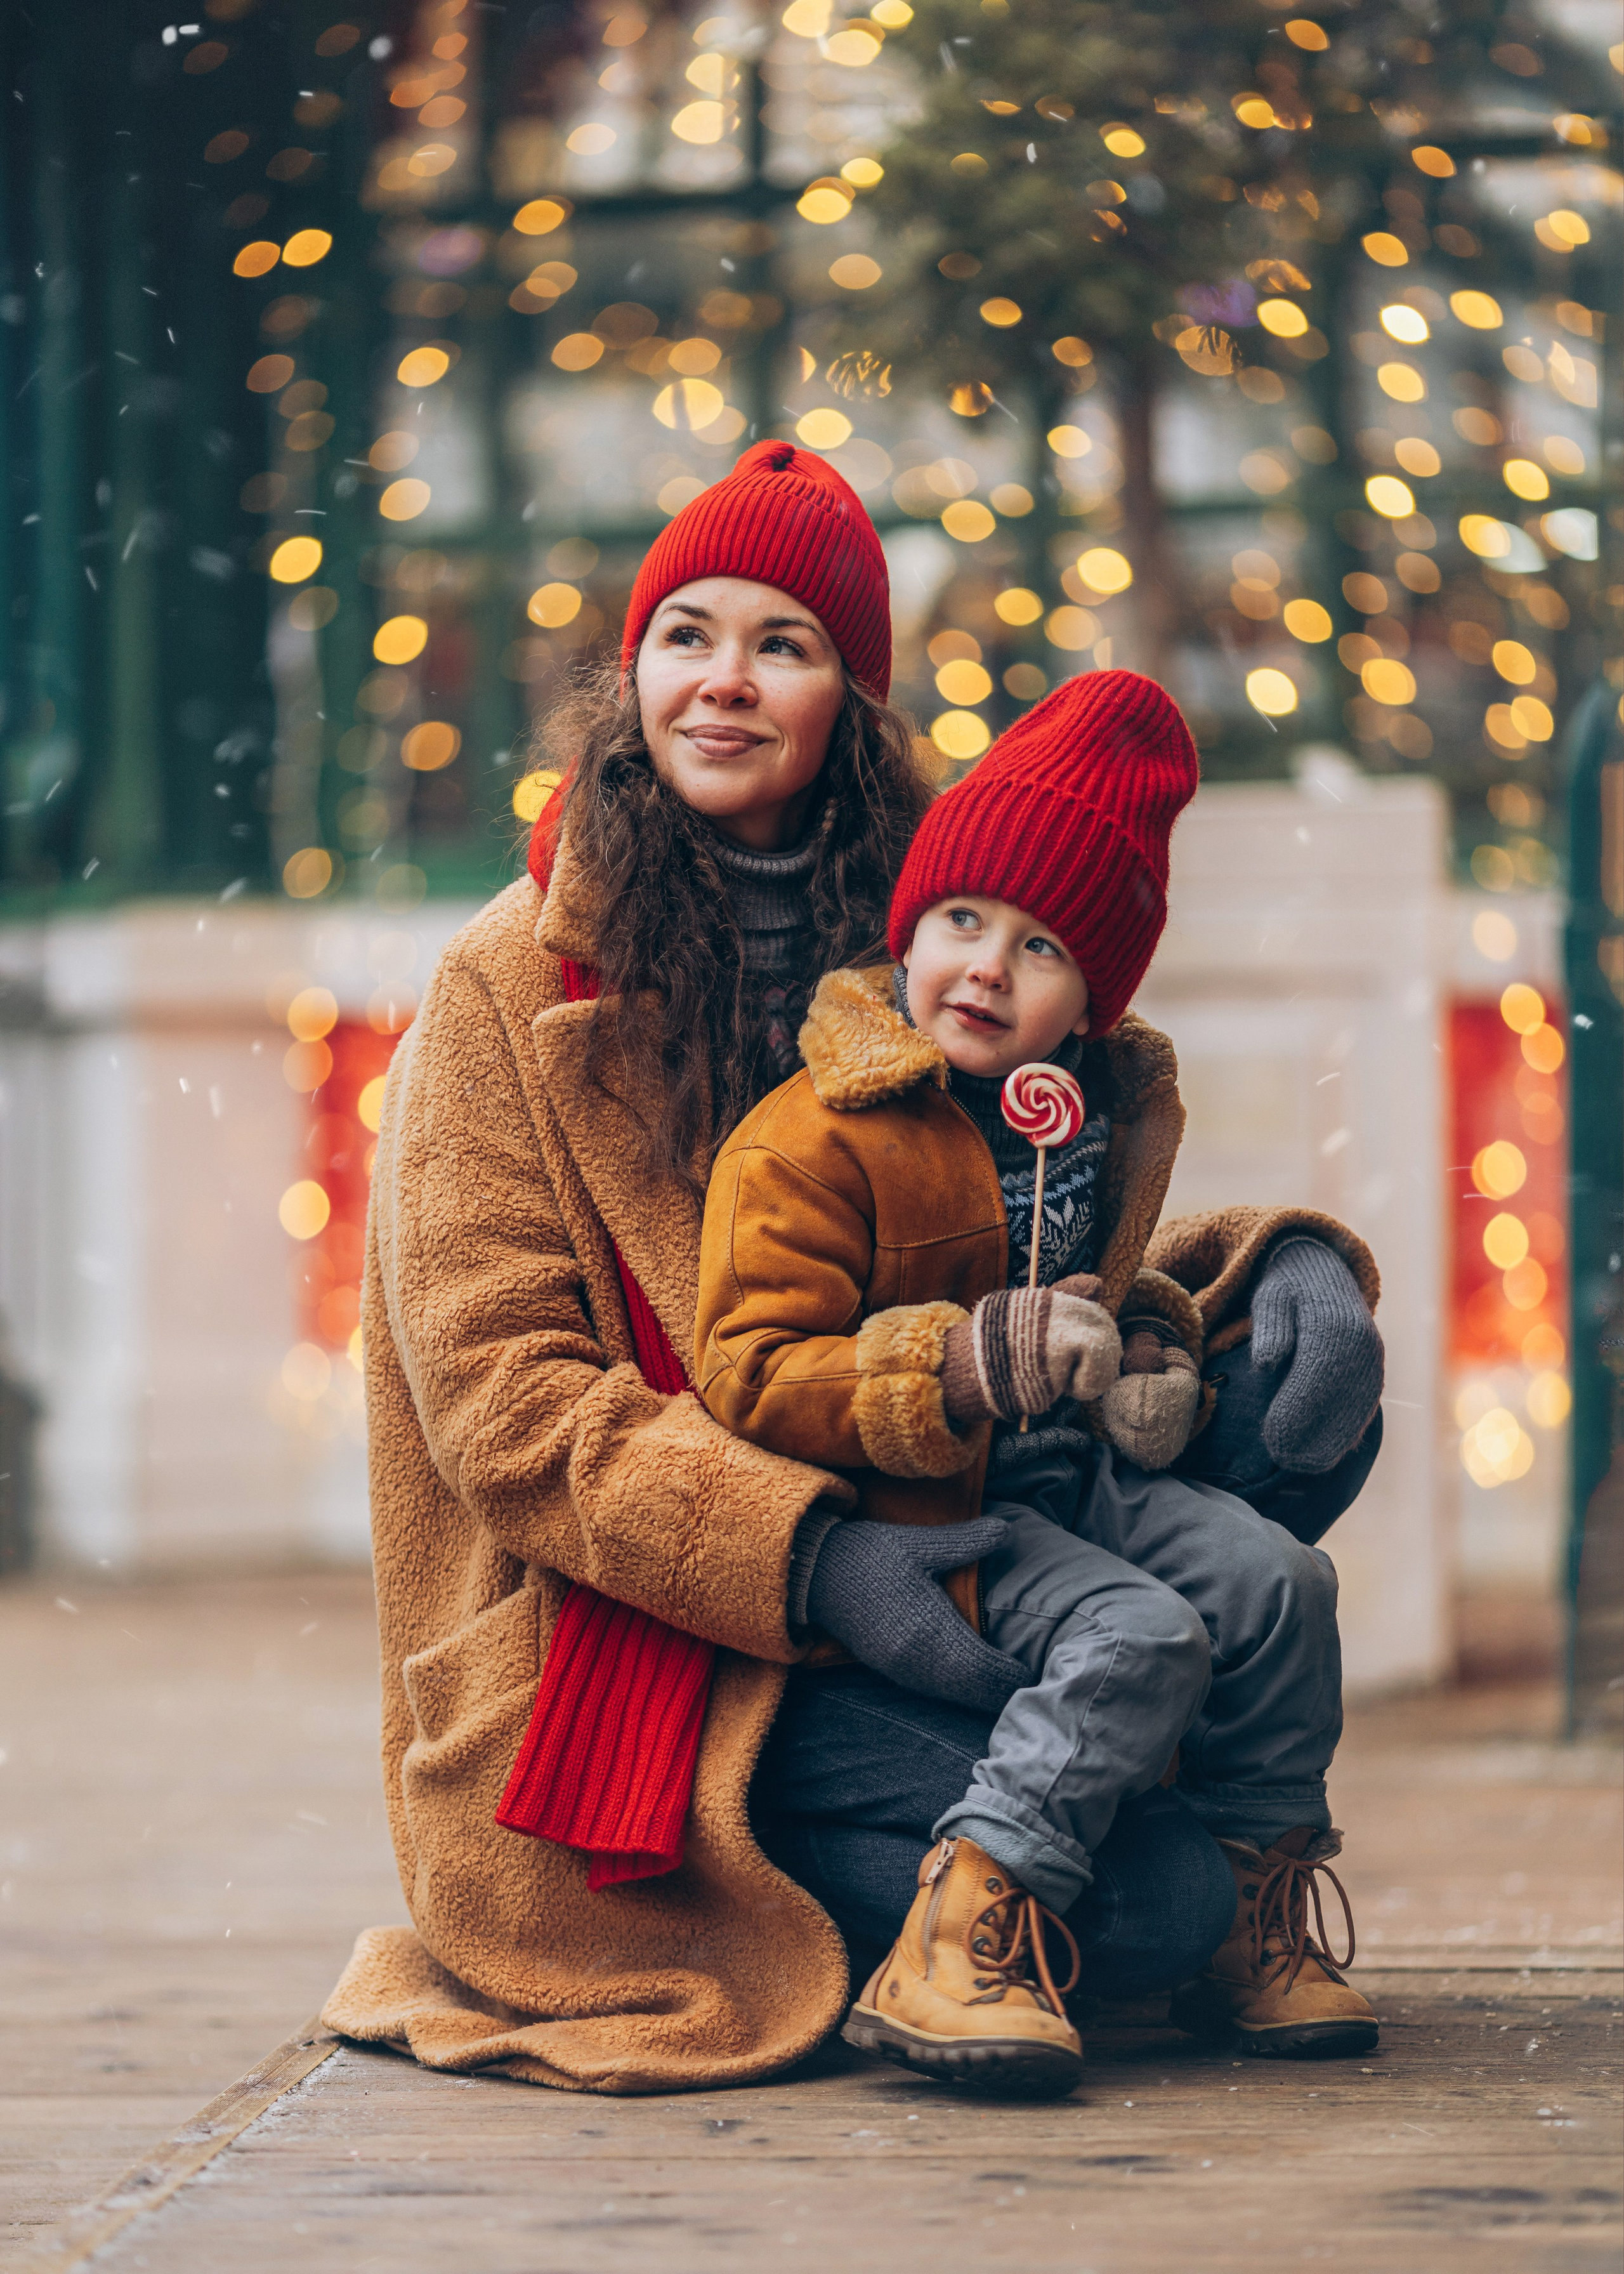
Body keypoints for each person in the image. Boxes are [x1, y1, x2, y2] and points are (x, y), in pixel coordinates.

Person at [322, 440, 1374, 2098]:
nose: (724, 683)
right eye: (688, 635)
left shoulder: (932, 935)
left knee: (1249, 1532)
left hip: (935, 1503)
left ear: (848, 701)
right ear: (632, 671)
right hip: (659, 1638)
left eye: (785, 645)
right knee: (1147, 1905)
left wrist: (1260, 1280)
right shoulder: (505, 982)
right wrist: (806, 1561)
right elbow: (506, 1406)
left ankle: (1173, 1880)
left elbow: (1021, 1248)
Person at [698, 671, 1385, 2094]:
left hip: (1073, 1473)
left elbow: (1095, 1271)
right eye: (959, 922)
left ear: (1092, 999)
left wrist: (1144, 1340)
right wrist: (954, 1363)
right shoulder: (815, 1138)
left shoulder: (1094, 1120)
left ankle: (1250, 1915)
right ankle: (962, 1918)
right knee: (1140, 1636)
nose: (986, 969)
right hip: (924, 1515)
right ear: (908, 929)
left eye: (1041, 948)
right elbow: (750, 1372)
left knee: (1278, 1586)